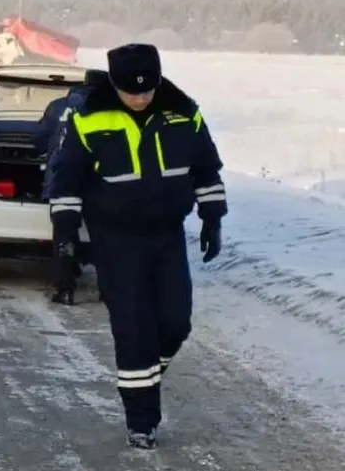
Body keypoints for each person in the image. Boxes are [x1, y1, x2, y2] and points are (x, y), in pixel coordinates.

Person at [44, 43, 226, 450]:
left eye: (147, 90)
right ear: (115, 85)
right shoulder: (89, 118)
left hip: (167, 234)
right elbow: (66, 181)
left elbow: (206, 167)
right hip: (116, 238)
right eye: (131, 92)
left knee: (176, 322)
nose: (141, 98)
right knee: (133, 328)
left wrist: (213, 217)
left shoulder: (183, 112)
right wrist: (66, 240)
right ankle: (142, 420)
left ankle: (146, 374)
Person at [37, 68, 108, 304]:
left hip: (63, 182)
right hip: (98, 186)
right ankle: (108, 291)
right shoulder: (112, 109)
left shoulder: (59, 106)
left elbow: (39, 139)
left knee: (64, 237)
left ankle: (65, 290)